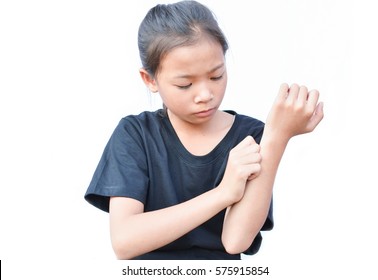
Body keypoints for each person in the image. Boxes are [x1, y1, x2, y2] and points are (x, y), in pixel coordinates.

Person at [84, 0, 324, 260]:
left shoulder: (251, 135)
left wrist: (277, 136)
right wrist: (223, 193)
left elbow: (235, 241)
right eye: (185, 84)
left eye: (216, 76)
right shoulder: (135, 134)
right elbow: (124, 241)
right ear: (150, 79)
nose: (205, 94)